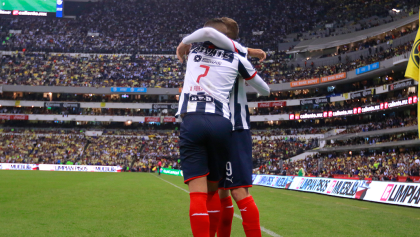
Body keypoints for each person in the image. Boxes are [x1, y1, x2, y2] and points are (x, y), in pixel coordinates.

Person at [176, 18, 270, 237]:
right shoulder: (237, 55)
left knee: (234, 191)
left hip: (234, 126)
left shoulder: (222, 51)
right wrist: (251, 51)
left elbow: (210, 34)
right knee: (221, 193)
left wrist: (184, 42)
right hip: (221, 124)